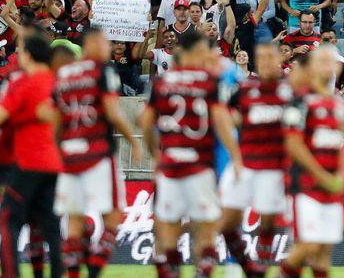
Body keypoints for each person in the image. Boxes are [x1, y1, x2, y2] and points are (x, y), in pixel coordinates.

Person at [139, 33, 244, 278]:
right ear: (191, 53)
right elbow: (221, 121)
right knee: (205, 230)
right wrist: (237, 157)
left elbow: (144, 122)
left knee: (167, 231)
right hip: (199, 165)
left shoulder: (162, 83)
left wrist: (155, 152)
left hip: (170, 166)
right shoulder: (209, 81)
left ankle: (169, 270)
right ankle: (202, 272)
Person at [0, 32, 63, 278]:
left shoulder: (24, 82)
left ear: (28, 55)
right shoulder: (56, 81)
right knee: (50, 226)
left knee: (9, 221)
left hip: (27, 164)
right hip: (53, 165)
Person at [51, 27, 143, 278]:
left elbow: (55, 119)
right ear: (91, 43)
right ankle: (94, 268)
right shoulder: (103, 70)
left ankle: (74, 274)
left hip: (69, 155)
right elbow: (112, 111)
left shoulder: (64, 74)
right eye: (104, 42)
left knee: (74, 221)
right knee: (113, 216)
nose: (107, 47)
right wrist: (133, 142)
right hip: (98, 153)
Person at [218, 38, 292, 277]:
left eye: (270, 57)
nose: (266, 63)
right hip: (245, 165)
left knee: (268, 224)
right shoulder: (245, 89)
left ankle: (260, 265)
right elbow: (224, 115)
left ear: (279, 59)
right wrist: (234, 150)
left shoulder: (290, 91)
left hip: (274, 168)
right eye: (261, 59)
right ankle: (248, 265)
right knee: (226, 223)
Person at [279, 46, 344, 278]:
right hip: (305, 187)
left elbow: (340, 144)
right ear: (313, 67)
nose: (330, 67)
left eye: (333, 62)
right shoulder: (300, 101)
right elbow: (293, 144)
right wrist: (323, 177)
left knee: (324, 251)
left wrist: (339, 174)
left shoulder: (338, 104)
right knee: (307, 245)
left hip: (331, 189)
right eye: (324, 62)